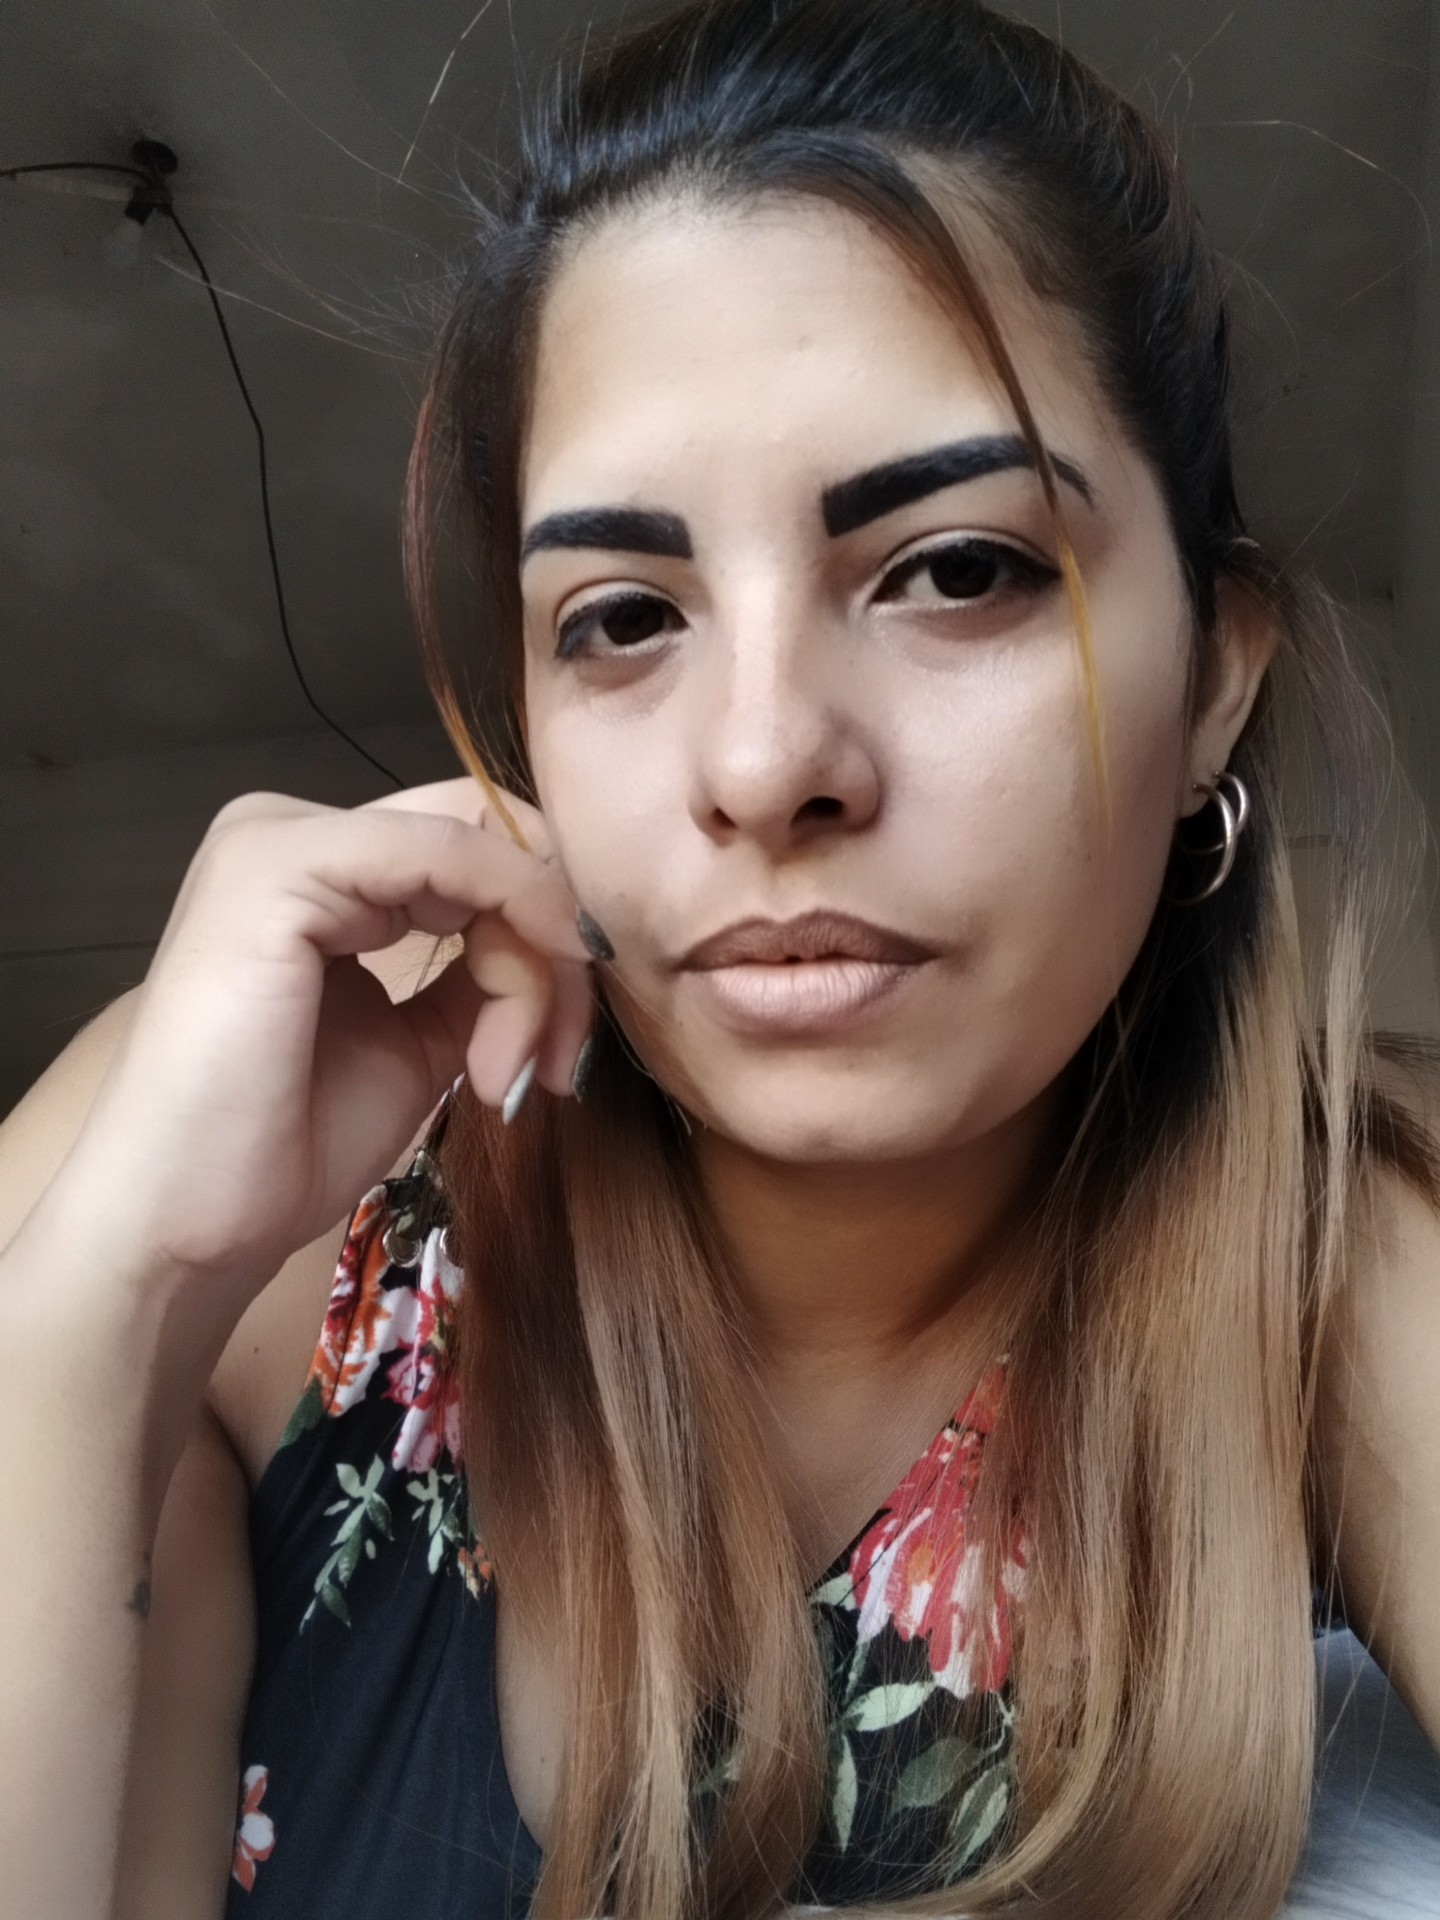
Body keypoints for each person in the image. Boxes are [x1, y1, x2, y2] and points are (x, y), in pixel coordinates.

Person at [2, 0, 1437, 1915]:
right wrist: (102, 1314)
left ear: (1215, 687)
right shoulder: (203, 1172)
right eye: (622, 616)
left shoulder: (1338, 1264)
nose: (765, 763)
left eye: (957, 569)